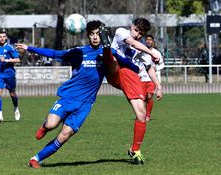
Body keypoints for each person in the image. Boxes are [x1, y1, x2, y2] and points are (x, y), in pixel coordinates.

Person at [15, 20, 141, 169]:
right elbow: (56, 54)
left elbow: (127, 64)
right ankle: (44, 127)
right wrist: (29, 48)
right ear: (88, 35)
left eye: (98, 34)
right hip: (68, 97)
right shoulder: (79, 52)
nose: (95, 37)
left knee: (63, 136)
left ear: (103, 36)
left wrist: (140, 69)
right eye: (92, 34)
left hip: (85, 104)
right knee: (51, 124)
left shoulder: (109, 53)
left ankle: (35, 159)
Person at [102, 17, 163, 164]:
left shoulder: (141, 49)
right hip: (115, 72)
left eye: (140, 33)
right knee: (114, 58)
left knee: (141, 115)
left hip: (128, 78)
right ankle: (106, 48)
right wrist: (151, 51)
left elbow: (149, 68)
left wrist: (159, 86)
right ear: (131, 26)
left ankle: (135, 150)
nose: (137, 35)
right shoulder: (121, 32)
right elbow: (131, 42)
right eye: (136, 30)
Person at [0, 31, 21, 123]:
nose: (2, 38)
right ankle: (0, 116)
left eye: (4, 36)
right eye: (0, 37)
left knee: (12, 94)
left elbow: (18, 59)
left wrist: (7, 60)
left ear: (6, 38)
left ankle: (16, 108)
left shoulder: (10, 48)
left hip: (9, 74)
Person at [144, 34, 165, 121]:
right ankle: (142, 113)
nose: (148, 41)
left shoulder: (156, 53)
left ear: (153, 42)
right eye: (147, 39)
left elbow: (162, 65)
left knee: (149, 96)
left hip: (152, 79)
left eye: (150, 40)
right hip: (141, 77)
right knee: (142, 97)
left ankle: (147, 115)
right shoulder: (141, 51)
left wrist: (156, 68)